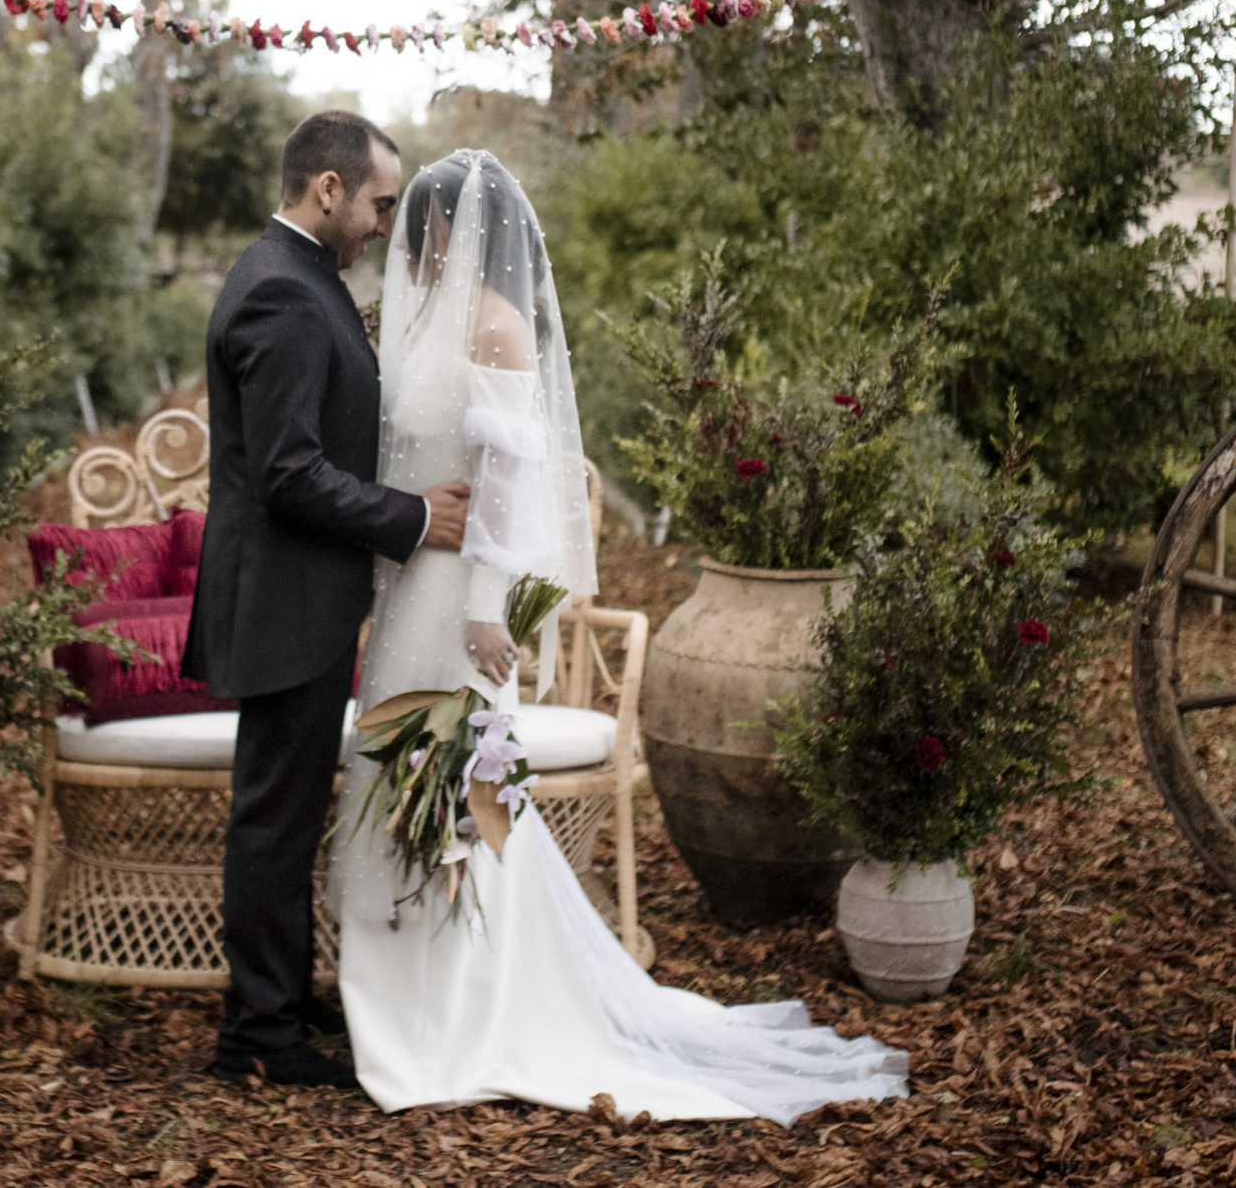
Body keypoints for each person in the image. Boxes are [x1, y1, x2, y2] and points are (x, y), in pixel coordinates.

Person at [334, 149, 907, 1122]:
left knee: (468, 798)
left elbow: (509, 480)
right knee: (387, 773)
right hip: (403, 597)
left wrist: (484, 604)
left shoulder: (497, 326)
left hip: (460, 605)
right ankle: (388, 992)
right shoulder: (419, 323)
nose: (399, 238)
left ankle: (463, 1004)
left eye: (412, 221)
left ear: (446, 226)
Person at [182, 110, 473, 1088]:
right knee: (273, 816)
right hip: (283, 599)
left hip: (298, 595)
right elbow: (289, 472)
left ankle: (278, 994)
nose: (387, 222)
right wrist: (409, 516)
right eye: (381, 203)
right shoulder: (285, 296)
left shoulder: (296, 276)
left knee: (291, 809)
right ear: (328, 189)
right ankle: (255, 1034)